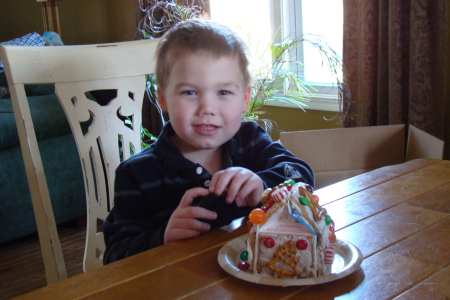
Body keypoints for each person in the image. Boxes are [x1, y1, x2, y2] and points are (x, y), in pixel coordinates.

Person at [102, 19, 314, 264]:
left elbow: (303, 177)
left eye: (223, 92)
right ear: (163, 98)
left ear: (245, 98)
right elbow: (115, 258)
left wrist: (263, 186)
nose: (207, 108)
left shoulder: (250, 139)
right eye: (189, 92)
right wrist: (161, 237)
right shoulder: (137, 175)